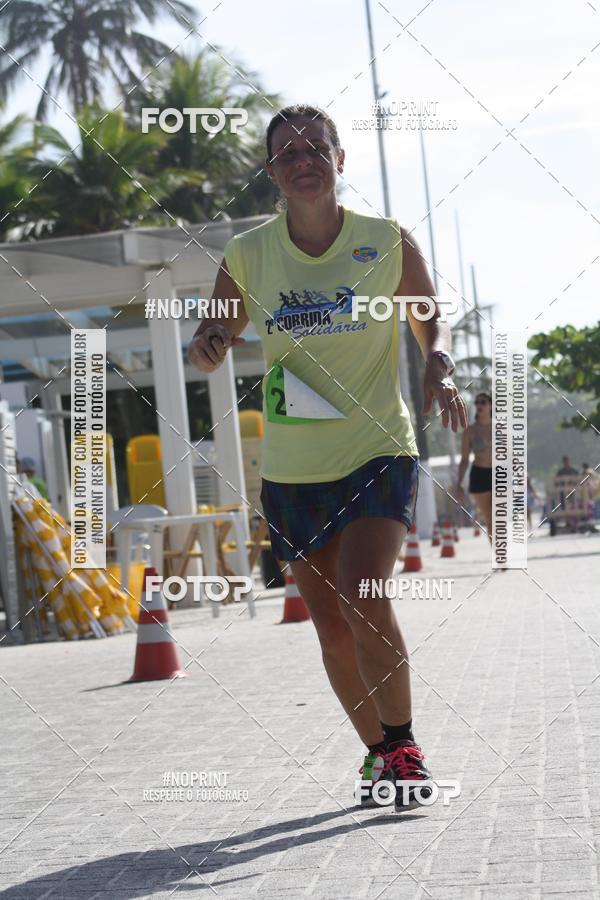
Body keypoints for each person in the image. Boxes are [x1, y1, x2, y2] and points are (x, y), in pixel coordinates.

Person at [188, 104, 468, 812]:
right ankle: (377, 755)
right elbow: (216, 328)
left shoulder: (386, 240)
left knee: (365, 593)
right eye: (287, 153)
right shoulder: (250, 253)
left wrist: (440, 366)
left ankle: (404, 746)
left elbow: (429, 323)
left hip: (378, 446)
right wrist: (207, 342)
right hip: (292, 466)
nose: (303, 159)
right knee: (334, 630)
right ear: (272, 172)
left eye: (317, 147)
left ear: (341, 160)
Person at [456, 393, 492, 541]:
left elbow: (511, 454)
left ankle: (502, 552)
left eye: (483, 402)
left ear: (490, 405)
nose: (479, 405)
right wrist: (459, 483)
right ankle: (501, 557)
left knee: (498, 515)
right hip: (479, 475)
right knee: (490, 519)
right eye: (477, 403)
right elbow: (464, 460)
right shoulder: (469, 431)